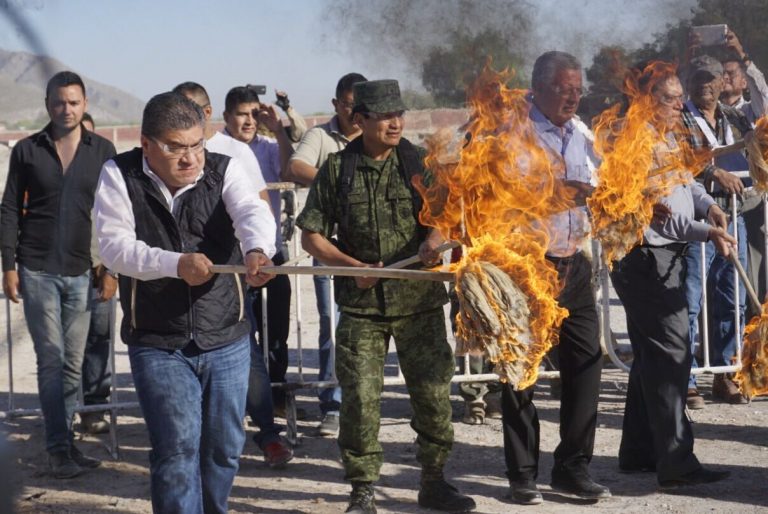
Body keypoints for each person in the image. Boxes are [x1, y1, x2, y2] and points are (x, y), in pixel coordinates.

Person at [296, 79, 476, 513]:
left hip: (419, 304)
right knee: (359, 401)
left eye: (400, 115)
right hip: (362, 309)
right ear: (360, 121)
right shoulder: (338, 169)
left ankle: (434, 481)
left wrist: (435, 238)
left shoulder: (418, 162)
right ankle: (362, 491)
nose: (396, 123)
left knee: (433, 397)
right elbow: (312, 238)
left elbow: (448, 215)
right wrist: (352, 267)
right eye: (385, 116)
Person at [93, 92, 276, 513]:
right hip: (158, 341)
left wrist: (257, 250)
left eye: (197, 144)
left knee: (225, 449)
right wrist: (176, 264)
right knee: (176, 452)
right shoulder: (118, 174)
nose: (190, 158)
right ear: (147, 144)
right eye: (176, 147)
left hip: (225, 336)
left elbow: (251, 211)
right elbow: (116, 248)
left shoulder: (223, 168)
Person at [610, 62, 733, 487]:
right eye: (670, 97)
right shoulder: (633, 143)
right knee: (673, 356)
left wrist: (707, 206)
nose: (680, 103)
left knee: (651, 356)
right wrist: (709, 231)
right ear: (646, 99)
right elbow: (660, 219)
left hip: (666, 256)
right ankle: (677, 462)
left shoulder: (670, 133)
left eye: (680, 96)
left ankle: (639, 453)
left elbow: (687, 181)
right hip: (647, 258)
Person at [495, 51, 610, 505]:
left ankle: (572, 468)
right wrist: (557, 195)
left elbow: (602, 187)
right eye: (564, 88)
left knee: (586, 365)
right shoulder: (511, 133)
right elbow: (503, 199)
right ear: (538, 87)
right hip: (525, 265)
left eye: (578, 89)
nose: (573, 97)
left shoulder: (581, 134)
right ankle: (522, 473)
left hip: (573, 264)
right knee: (521, 369)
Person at [1, 71, 115, 478]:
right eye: (58, 102)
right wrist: (8, 266)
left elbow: (111, 214)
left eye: (73, 102)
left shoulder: (103, 149)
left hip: (82, 270)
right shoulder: (28, 150)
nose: (65, 109)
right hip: (37, 269)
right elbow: (10, 207)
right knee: (51, 361)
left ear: (85, 104)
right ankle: (56, 450)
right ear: (47, 104)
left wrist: (110, 269)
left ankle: (66, 445)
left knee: (72, 365)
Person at [173, 81, 294, 467]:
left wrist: (259, 251)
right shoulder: (168, 152)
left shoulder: (234, 151)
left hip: (230, 275)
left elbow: (257, 206)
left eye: (191, 111)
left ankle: (268, 434)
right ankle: (197, 442)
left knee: (246, 350)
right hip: (179, 274)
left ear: (207, 114)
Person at [284, 71, 367, 436]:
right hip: (329, 247)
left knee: (367, 327)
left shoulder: (377, 135)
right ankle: (332, 405)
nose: (356, 113)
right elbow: (295, 167)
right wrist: (337, 181)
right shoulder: (320, 136)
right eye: (350, 105)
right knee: (332, 326)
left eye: (362, 106)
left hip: (370, 248)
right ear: (337, 105)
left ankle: (364, 400)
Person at [681, 54, 752, 405]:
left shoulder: (734, 116)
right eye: (698, 78)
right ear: (688, 82)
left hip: (733, 214)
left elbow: (755, 144)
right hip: (697, 222)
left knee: (732, 300)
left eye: (711, 78)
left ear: (723, 82)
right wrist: (711, 173)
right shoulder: (679, 118)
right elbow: (678, 161)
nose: (705, 84)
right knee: (690, 301)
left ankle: (725, 373)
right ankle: (686, 378)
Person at [223, 86, 296, 419]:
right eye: (242, 113)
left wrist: (279, 130)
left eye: (254, 114)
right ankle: (243, 400)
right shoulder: (218, 150)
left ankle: (277, 394)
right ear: (226, 117)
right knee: (239, 328)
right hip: (232, 256)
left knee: (276, 325)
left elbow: (286, 172)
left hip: (271, 251)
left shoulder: (268, 146)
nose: (249, 120)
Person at [78, 112, 119, 435]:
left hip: (100, 268)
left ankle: (94, 407)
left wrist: (110, 268)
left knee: (98, 340)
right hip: (61, 270)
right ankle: (62, 413)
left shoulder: (108, 179)